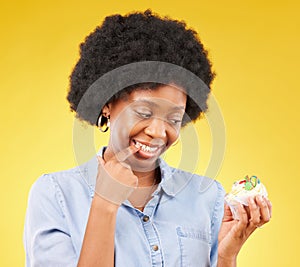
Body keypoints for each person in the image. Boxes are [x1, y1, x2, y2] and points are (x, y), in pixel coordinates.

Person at [23, 10, 272, 267]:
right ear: (107, 104)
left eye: (174, 119)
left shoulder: (207, 197)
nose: (158, 132)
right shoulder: (55, 195)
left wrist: (225, 256)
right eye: (144, 112)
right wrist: (104, 205)